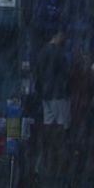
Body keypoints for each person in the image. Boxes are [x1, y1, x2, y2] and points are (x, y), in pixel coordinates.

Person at [33, 30, 70, 170]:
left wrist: (40, 90)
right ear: (58, 37)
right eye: (63, 37)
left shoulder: (42, 52)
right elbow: (65, 74)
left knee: (48, 124)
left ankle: (46, 158)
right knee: (62, 125)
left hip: (46, 95)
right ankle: (60, 161)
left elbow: (37, 73)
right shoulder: (59, 54)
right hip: (58, 94)